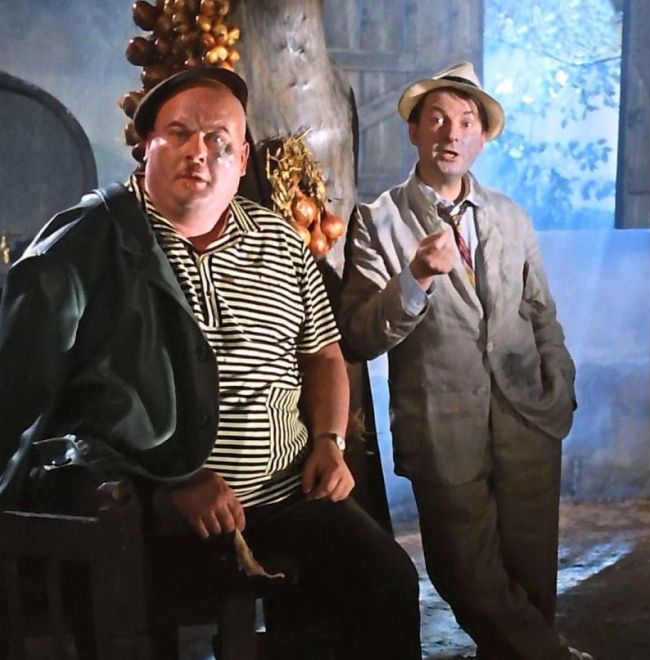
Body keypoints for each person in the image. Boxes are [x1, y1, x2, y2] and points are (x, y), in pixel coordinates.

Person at [0, 67, 421, 659]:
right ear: (146, 145)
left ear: (242, 159)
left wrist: (329, 441)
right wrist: (170, 481)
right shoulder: (90, 245)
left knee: (386, 584)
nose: (200, 151)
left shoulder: (281, 242)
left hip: (286, 495)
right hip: (151, 516)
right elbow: (50, 414)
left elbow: (323, 354)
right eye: (179, 133)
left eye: (220, 140)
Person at [339, 61, 587, 660]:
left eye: (466, 121)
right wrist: (417, 277)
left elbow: (541, 312)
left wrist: (559, 385)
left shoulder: (510, 216)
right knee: (464, 573)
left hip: (528, 418)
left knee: (531, 576)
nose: (451, 133)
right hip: (441, 426)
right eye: (437, 120)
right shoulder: (378, 222)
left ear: (483, 137)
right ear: (414, 131)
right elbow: (359, 335)